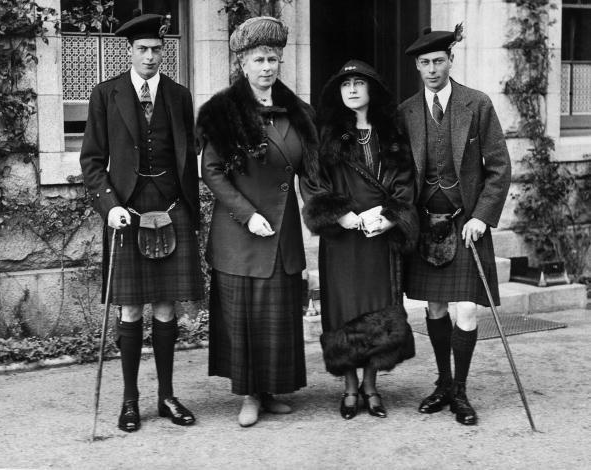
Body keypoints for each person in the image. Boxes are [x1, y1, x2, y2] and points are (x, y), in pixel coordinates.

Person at [80, 11, 204, 432]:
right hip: (125, 214)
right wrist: (108, 204)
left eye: (156, 49)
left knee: (167, 305)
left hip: (172, 209)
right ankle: (130, 400)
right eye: (142, 49)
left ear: (163, 51)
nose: (150, 57)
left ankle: (166, 395)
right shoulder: (105, 94)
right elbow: (93, 162)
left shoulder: (179, 95)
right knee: (131, 308)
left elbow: (189, 158)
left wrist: (191, 210)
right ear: (129, 51)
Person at [196, 16, 318, 428]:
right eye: (258, 60)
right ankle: (248, 395)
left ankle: (269, 390)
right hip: (241, 234)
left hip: (282, 234)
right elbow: (211, 170)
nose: (267, 67)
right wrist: (247, 216)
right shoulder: (223, 113)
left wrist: (331, 212)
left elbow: (311, 174)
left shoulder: (298, 113)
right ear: (243, 65)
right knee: (244, 318)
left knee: (277, 316)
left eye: (272, 59)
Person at [398, 25, 512, 425]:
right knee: (434, 307)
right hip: (427, 225)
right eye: (424, 63)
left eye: (438, 61)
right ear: (417, 66)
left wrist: (482, 216)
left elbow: (499, 168)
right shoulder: (406, 112)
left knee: (467, 310)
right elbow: (398, 173)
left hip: (466, 224)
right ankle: (443, 384)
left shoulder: (476, 105)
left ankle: (460, 392)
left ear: (451, 60)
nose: (432, 69)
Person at [301, 60, 418, 420]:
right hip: (342, 240)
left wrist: (390, 218)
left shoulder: (392, 133)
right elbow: (312, 182)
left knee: (378, 306)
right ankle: (350, 389)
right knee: (344, 309)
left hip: (379, 238)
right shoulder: (327, 134)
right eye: (345, 84)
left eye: (358, 83)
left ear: (372, 89)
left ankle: (371, 386)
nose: (351, 90)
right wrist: (339, 213)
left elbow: (405, 180)